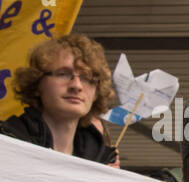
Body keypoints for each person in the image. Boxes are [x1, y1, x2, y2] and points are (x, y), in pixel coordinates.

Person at [0, 33, 120, 165]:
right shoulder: (6, 143)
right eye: (63, 74)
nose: (76, 85)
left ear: (96, 92)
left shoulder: (102, 161)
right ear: (37, 83)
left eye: (87, 78)